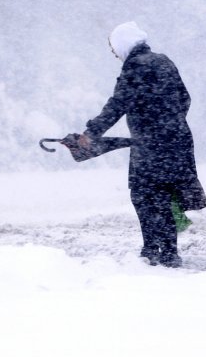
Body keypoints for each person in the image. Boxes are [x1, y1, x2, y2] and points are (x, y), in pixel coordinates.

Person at [78, 22, 198, 268]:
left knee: (144, 196)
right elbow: (185, 98)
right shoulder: (164, 61)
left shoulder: (135, 66)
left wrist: (92, 132)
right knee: (164, 195)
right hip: (177, 141)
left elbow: (118, 103)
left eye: (114, 48)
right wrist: (170, 123)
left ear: (124, 44)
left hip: (151, 145)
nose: (114, 54)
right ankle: (168, 251)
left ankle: (153, 250)